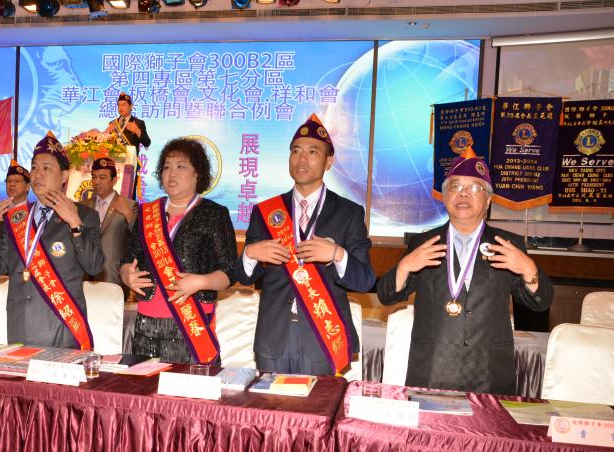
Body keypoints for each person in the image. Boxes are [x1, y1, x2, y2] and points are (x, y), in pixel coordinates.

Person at [377, 151, 553, 395]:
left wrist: (528, 269)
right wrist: (404, 266)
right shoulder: (424, 243)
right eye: (456, 186)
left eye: (474, 188)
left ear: (488, 200)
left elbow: (541, 302)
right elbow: (386, 296)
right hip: (432, 370)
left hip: (489, 373)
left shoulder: (507, 244)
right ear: (445, 196)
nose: (463, 193)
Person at [235, 114, 375, 376]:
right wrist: (251, 254)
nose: (302, 159)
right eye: (296, 151)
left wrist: (337, 254)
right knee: (270, 402)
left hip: (323, 336)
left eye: (312, 152)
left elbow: (365, 280)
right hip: (273, 336)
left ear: (328, 161)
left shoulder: (349, 213)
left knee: (319, 403)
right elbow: (243, 276)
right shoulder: (266, 211)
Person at [0, 131, 105, 349]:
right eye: (34, 168)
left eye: (46, 168)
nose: (37, 175)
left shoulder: (84, 215)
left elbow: (94, 266)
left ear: (64, 176)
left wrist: (75, 223)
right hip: (19, 326)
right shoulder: (16, 218)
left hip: (62, 326)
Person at [120, 138, 236, 364]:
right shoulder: (146, 213)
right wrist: (127, 276)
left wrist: (200, 282)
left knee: (189, 386)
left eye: (181, 166)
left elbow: (230, 272)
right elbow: (127, 260)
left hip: (191, 323)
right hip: (147, 324)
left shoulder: (214, 214)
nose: (172, 173)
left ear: (197, 173)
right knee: (145, 385)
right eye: (166, 167)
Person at [81, 156, 137, 293]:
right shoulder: (82, 206)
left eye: (102, 177)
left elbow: (139, 238)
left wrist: (128, 214)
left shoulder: (129, 205)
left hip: (113, 276)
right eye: (94, 177)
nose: (97, 182)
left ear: (114, 180)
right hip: (84, 276)